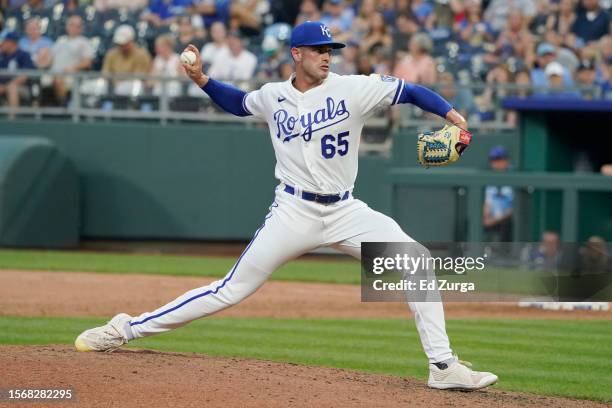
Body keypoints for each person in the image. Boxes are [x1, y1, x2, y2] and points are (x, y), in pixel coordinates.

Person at [74, 21, 498, 391]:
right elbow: (238, 103)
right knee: (229, 290)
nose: (327, 57)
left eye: (331, 51)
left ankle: (443, 367)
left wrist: (452, 115)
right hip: (293, 212)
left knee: (416, 262)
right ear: (297, 54)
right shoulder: (273, 95)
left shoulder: (355, 88)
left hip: (346, 212)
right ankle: (125, 328)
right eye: (319, 50)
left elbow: (412, 91)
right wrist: (202, 79)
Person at [46, 15, 94, 104]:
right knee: (37, 77)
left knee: (58, 79)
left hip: (72, 74)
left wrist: (74, 68)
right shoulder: (61, 40)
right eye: (71, 25)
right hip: (53, 72)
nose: (73, 28)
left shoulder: (84, 42)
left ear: (81, 28)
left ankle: (64, 105)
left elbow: (88, 62)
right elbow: (50, 58)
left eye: (76, 26)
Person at [102, 24, 152, 94]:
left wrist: (121, 83)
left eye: (124, 44)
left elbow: (139, 76)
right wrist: (115, 82)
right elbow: (106, 72)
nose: (122, 47)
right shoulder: (111, 54)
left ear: (131, 41)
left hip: (133, 87)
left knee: (135, 86)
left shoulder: (142, 54)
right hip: (114, 86)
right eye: (120, 44)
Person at [0, 31, 35, 118]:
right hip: (2, 86)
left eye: (4, 42)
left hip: (23, 88)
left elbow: (24, 76)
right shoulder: (2, 56)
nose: (2, 44)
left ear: (11, 43)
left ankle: (12, 119)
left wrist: (6, 86)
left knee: (12, 87)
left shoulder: (23, 55)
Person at [483, 146, 514, 242]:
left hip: (506, 219)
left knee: (507, 224)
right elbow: (487, 203)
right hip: (492, 219)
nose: (497, 163)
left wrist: (495, 220)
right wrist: (485, 217)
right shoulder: (490, 178)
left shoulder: (513, 177)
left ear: (506, 160)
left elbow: (513, 209)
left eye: (500, 159)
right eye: (494, 160)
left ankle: (504, 254)